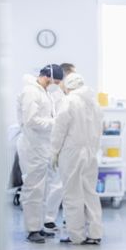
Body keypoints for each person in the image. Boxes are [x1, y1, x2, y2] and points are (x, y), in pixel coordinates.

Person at [50, 73, 103, 245]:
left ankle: (76, 235)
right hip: (90, 152)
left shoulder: (69, 101)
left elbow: (59, 129)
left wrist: (54, 152)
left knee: (72, 193)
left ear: (69, 86)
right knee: (90, 193)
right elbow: (98, 130)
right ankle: (95, 233)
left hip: (72, 152)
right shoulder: (94, 103)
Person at [17, 64, 63, 243]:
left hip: (41, 145)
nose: (56, 85)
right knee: (33, 188)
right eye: (56, 81)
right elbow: (31, 121)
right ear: (48, 77)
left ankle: (39, 225)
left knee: (42, 189)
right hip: (32, 145)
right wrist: (55, 122)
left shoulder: (44, 92)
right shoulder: (31, 92)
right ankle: (32, 229)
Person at [43, 62, 77, 232]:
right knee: (56, 184)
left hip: (65, 145)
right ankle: (48, 219)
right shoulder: (56, 95)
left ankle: (64, 218)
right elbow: (58, 121)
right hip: (55, 144)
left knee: (64, 184)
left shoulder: (65, 95)